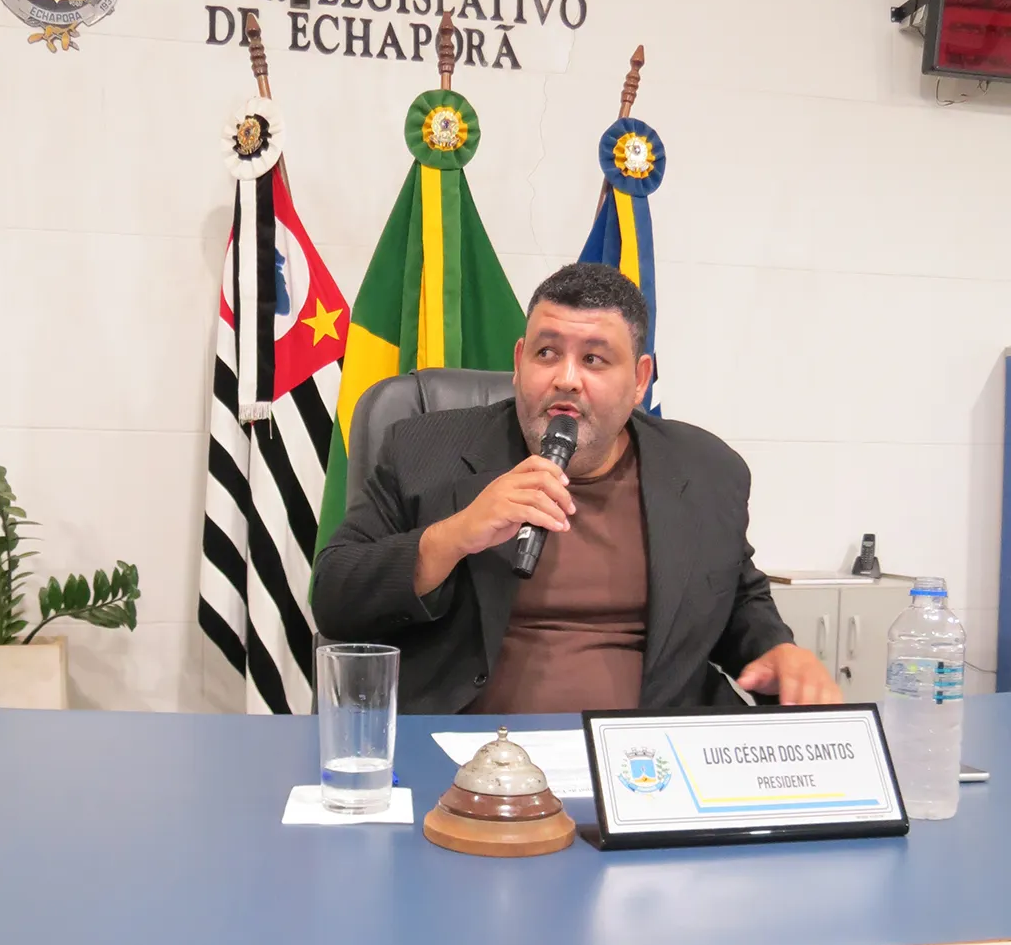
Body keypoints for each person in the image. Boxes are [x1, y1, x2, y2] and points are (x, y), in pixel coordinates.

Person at [311, 262, 839, 716]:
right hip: (473, 759)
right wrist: (452, 536)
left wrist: (777, 650)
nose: (566, 378)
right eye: (546, 353)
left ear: (640, 380)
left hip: (648, 762)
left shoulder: (705, 470)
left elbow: (734, 594)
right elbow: (334, 597)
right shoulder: (425, 449)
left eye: (594, 359)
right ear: (519, 362)